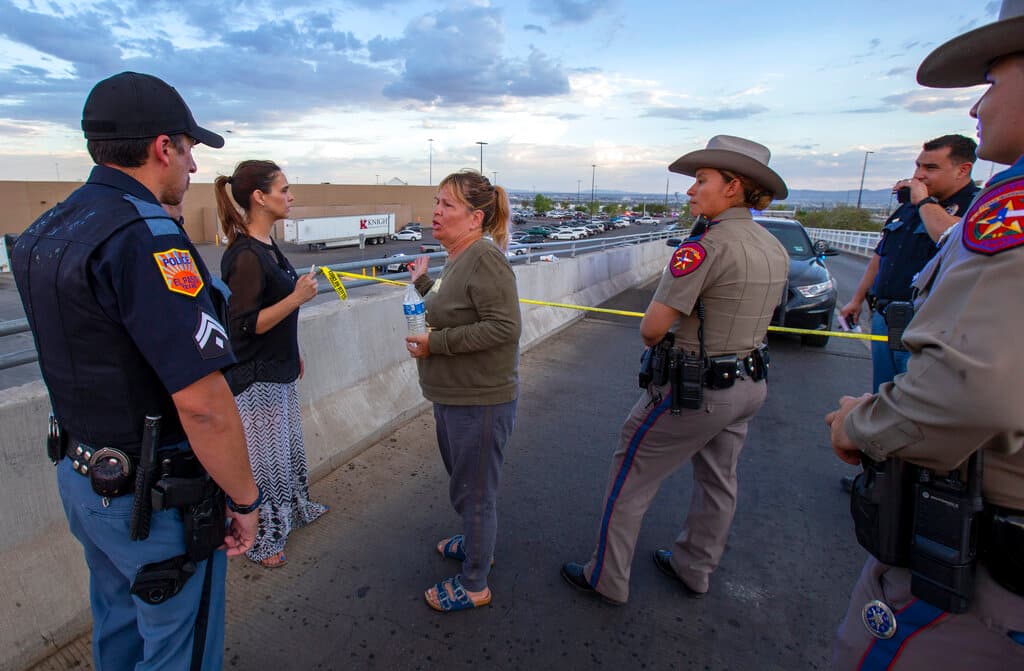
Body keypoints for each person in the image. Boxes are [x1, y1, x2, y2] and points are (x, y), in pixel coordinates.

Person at [10, 72, 260, 670]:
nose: (194, 168)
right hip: (153, 500)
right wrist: (246, 501)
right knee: (179, 650)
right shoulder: (146, 240)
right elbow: (202, 401)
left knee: (118, 630)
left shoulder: (48, 229)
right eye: (190, 150)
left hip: (84, 480)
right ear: (162, 147)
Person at [825, 2, 1024, 667]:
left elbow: (966, 394)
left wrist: (858, 426)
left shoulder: (998, 214)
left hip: (982, 564)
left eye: (992, 82)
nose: (978, 108)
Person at [561, 136, 789, 605]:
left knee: (632, 472)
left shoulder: (703, 247)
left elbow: (652, 328)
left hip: (694, 390)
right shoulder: (773, 246)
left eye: (700, 181)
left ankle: (606, 578)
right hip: (749, 385)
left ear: (732, 186)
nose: (689, 192)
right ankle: (695, 568)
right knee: (719, 482)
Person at [404, 170, 521, 612]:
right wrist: (421, 281)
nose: (435, 212)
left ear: (475, 217)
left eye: (447, 205)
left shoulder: (484, 258)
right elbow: (449, 305)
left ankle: (475, 583)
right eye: (436, 202)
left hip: (480, 400)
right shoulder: (459, 257)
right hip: (455, 397)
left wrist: (437, 343)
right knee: (466, 486)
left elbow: (505, 327)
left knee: (475, 493)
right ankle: (476, 542)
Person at [215, 161, 328, 569]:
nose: (290, 196)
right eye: (284, 189)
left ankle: (291, 510)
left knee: (284, 453)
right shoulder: (244, 255)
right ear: (259, 198)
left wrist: (292, 350)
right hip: (255, 377)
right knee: (263, 462)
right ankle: (262, 539)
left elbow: (276, 315)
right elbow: (241, 326)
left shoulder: (266, 245)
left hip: (278, 368)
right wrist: (297, 298)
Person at [839, 135, 979, 394]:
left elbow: (954, 238)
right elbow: (882, 253)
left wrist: (925, 203)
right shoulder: (911, 207)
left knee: (915, 401)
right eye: (918, 166)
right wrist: (857, 299)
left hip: (929, 327)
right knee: (883, 394)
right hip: (886, 317)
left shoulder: (977, 206)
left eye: (931, 168)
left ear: (963, 170)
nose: (919, 175)